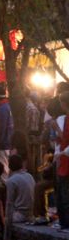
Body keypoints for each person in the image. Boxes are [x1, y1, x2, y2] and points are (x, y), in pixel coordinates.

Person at [53, 92, 69, 230]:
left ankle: (66, 223)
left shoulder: (66, 119)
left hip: (65, 161)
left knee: (64, 194)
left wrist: (56, 129)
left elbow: (65, 139)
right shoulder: (64, 118)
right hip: (63, 159)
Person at [6, 153, 35, 225]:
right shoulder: (29, 176)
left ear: (9, 165)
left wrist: (6, 219)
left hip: (20, 215)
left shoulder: (11, 181)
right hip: (32, 214)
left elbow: (9, 203)